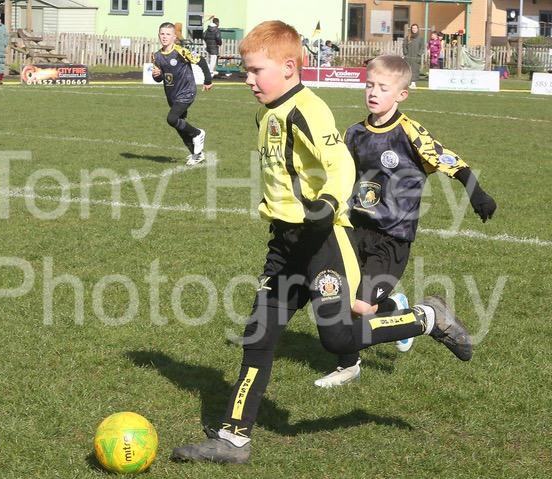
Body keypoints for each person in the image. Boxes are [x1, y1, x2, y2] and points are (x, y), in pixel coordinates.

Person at [171, 22, 473, 465]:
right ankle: (233, 440)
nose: (248, 79)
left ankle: (427, 318)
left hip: (323, 240)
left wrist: (327, 202)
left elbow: (339, 165)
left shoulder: (307, 110)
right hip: (284, 244)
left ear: (289, 67)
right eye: (246, 70)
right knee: (258, 335)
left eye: (256, 70)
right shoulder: (266, 113)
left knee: (338, 338)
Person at [314, 55, 496, 388]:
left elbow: (449, 160)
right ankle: (349, 365)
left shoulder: (408, 132)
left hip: (392, 236)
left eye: (383, 88)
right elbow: (338, 171)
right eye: (370, 85)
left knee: (359, 305)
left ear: (401, 94)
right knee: (342, 299)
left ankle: (410, 314)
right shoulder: (354, 132)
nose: (373, 92)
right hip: (355, 229)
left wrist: (477, 193)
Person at [152, 22, 212, 166]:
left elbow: (201, 60)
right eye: (162, 34)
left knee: (172, 119)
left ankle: (198, 133)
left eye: (168, 34)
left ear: (174, 37)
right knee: (180, 126)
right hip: (172, 95)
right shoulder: (157, 56)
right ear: (159, 35)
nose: (164, 37)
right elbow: (159, 78)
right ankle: (197, 155)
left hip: (187, 91)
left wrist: (208, 80)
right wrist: (157, 75)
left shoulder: (181, 51)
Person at [402, 24, 424, 88]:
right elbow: (404, 45)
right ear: (411, 29)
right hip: (408, 56)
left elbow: (422, 47)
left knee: (415, 69)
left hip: (416, 56)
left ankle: (413, 83)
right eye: (413, 28)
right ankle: (406, 82)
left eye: (415, 28)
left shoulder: (420, 38)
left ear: (417, 29)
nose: (414, 29)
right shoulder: (408, 37)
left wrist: (419, 54)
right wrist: (405, 53)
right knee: (407, 69)